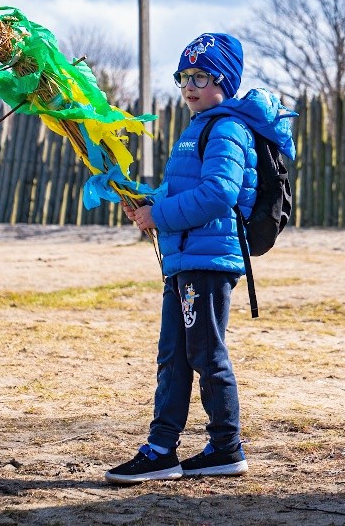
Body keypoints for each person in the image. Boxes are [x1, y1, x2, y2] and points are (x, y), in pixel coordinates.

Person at [105, 33, 297, 484]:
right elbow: (183, 190)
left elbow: (218, 194)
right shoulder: (199, 127)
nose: (189, 86)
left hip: (208, 261)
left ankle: (226, 447)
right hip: (185, 258)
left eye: (201, 76)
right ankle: (161, 449)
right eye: (184, 76)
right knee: (173, 356)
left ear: (224, 81)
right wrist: (147, 201)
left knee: (206, 353)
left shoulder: (226, 128)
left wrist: (159, 215)